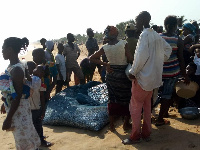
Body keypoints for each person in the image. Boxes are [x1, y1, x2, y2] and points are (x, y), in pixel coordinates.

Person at [122, 11, 172, 144]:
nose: (136, 23)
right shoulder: (156, 35)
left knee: (135, 108)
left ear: (143, 20)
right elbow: (168, 50)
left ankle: (135, 136)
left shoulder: (144, 35)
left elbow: (140, 57)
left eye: (137, 20)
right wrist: (157, 61)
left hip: (142, 79)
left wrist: (133, 71)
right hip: (152, 80)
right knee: (147, 107)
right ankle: (146, 134)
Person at [90, 25, 134, 132]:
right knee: (127, 98)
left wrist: (105, 64)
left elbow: (92, 58)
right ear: (117, 33)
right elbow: (130, 58)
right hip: (123, 75)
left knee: (112, 98)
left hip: (111, 75)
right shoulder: (123, 44)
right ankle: (125, 124)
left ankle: (112, 125)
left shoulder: (105, 47)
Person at [0, 37, 40, 149]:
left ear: (10, 49)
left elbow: (17, 96)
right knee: (26, 138)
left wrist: (8, 119)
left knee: (24, 141)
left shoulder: (16, 70)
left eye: (3, 49)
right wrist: (5, 103)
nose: (1, 51)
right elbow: (13, 92)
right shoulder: (15, 66)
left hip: (19, 111)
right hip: (19, 109)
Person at [156, 15, 190, 126]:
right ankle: (160, 119)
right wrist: (185, 75)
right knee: (167, 95)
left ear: (165, 25)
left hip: (158, 72)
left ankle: (163, 113)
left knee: (157, 94)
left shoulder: (158, 38)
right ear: (175, 26)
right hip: (172, 73)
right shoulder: (178, 40)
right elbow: (181, 59)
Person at [26, 62, 52, 147]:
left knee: (37, 124)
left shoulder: (38, 80)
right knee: (35, 124)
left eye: (37, 68)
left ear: (41, 73)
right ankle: (38, 139)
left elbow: (42, 97)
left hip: (36, 108)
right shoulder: (34, 79)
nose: (34, 69)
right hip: (31, 107)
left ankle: (40, 140)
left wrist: (43, 109)